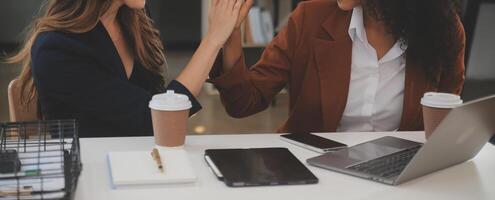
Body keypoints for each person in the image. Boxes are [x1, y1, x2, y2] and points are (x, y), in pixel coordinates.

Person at [209, 0, 466, 134]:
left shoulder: (443, 30)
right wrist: (230, 33)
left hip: (401, 178)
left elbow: (444, 120)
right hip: (316, 175)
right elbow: (243, 103)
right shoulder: (309, 18)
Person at [8, 0, 243, 137]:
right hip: (91, 177)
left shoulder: (134, 20)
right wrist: (213, 39)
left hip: (141, 162)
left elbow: (160, 105)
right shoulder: (56, 48)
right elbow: (153, 119)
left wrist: (223, 35)